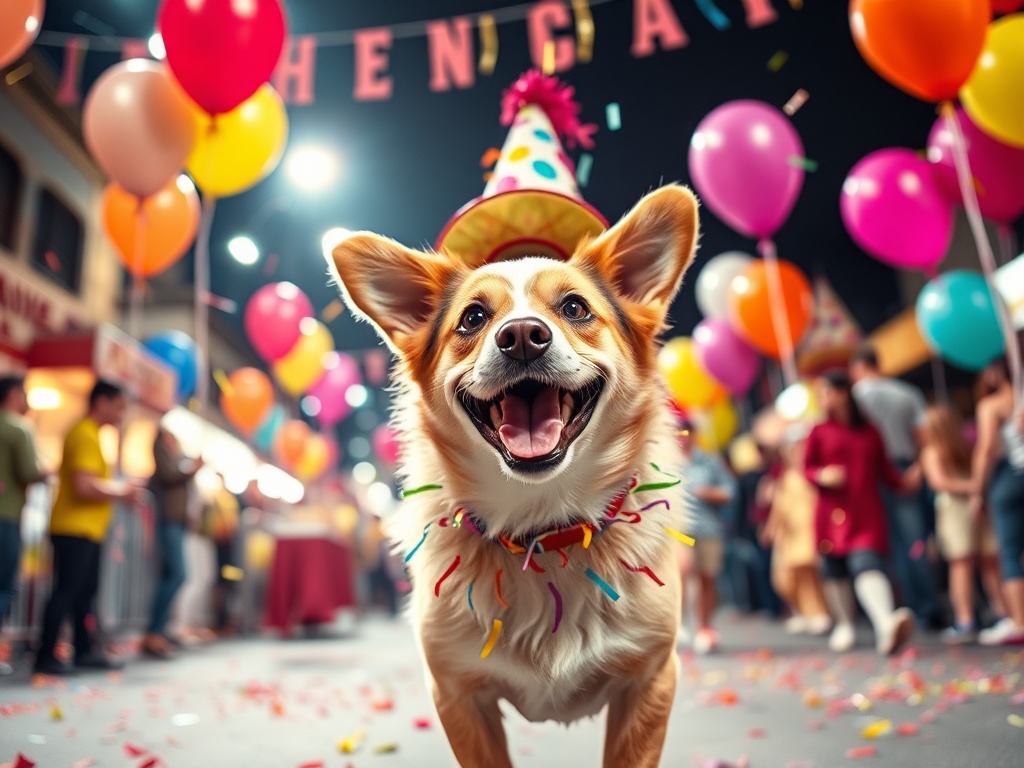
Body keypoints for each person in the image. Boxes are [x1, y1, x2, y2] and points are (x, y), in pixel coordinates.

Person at [34, 380, 144, 676]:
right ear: (101, 402)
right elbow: (85, 486)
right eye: (119, 407)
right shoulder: (83, 433)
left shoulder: (92, 435)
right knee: (67, 591)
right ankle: (46, 655)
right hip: (73, 527)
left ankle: (83, 651)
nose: (122, 415)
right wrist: (122, 492)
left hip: (87, 529)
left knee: (83, 593)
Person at [804, 370, 915, 655]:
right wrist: (821, 475)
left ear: (843, 393)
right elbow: (806, 470)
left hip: (866, 512)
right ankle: (845, 624)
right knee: (835, 570)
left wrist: (908, 480)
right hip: (831, 513)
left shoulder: (871, 431)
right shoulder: (817, 432)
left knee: (867, 564)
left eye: (826, 392)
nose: (822, 399)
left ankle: (885, 625)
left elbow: (886, 472)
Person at [849, 345, 940, 628]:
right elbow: (926, 438)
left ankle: (903, 609)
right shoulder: (907, 393)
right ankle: (930, 609)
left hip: (869, 478)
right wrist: (917, 470)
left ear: (857, 369)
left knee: (885, 547)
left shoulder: (853, 398)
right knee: (915, 544)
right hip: (904, 470)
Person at [920, 404, 1005, 644]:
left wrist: (971, 489)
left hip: (954, 509)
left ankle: (966, 619)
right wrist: (976, 490)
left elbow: (939, 483)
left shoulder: (932, 451)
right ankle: (1004, 612)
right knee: (990, 563)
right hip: (977, 504)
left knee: (962, 565)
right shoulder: (967, 447)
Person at [970, 358, 1024, 645]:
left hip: (1011, 477)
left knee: (1011, 551)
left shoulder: (992, 405)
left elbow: (987, 448)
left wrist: (978, 491)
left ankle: (1019, 621)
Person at [761, 425, 831, 636]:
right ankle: (801, 611)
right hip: (790, 536)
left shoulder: (812, 474)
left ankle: (818, 613)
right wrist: (771, 528)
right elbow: (779, 509)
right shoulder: (784, 479)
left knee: (810, 575)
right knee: (784, 578)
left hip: (810, 531)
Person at [0, 376, 49, 676]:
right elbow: (31, 470)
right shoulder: (19, 428)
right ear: (15, 394)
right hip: (6, 515)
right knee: (4, 585)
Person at [677, 416, 736, 654]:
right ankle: (678, 623)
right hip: (678, 528)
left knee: (707, 577)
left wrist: (709, 493)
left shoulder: (710, 461)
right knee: (682, 569)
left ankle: (704, 628)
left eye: (686, 433)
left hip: (708, 527)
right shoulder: (664, 462)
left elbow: (730, 491)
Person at [143, 427, 202, 659]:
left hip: (176, 523)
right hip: (168, 522)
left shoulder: (176, 459)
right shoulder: (165, 458)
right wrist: (192, 469)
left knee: (172, 575)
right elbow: (170, 476)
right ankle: (155, 631)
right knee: (178, 575)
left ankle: (160, 630)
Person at [206, 474, 241, 635]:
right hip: (220, 545)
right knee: (221, 582)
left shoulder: (228, 498)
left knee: (230, 581)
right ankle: (218, 620)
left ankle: (227, 620)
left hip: (229, 547)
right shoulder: (217, 497)